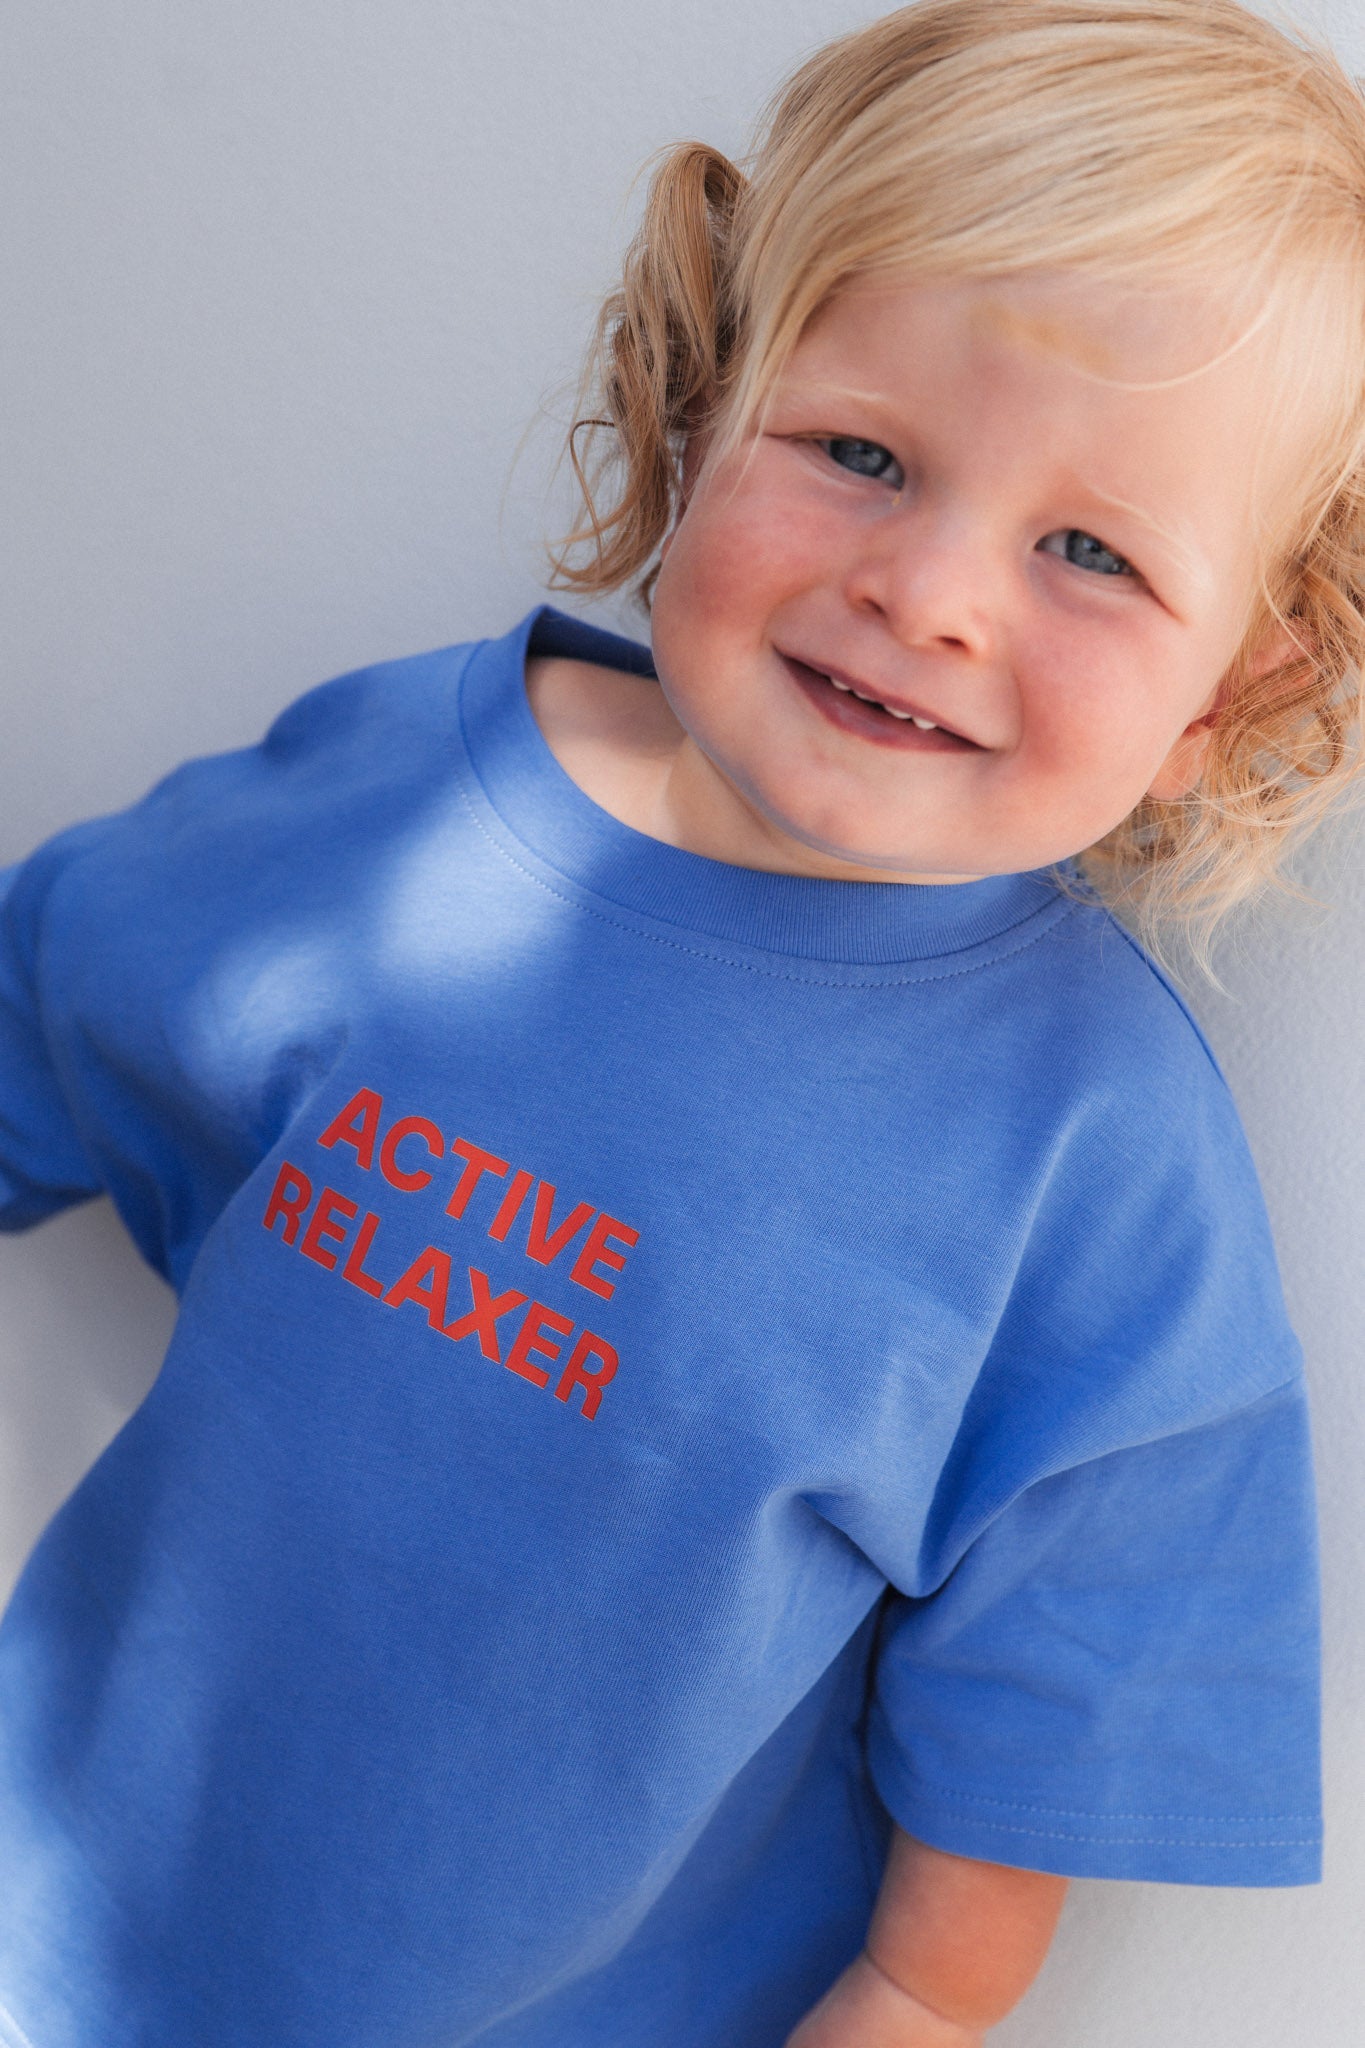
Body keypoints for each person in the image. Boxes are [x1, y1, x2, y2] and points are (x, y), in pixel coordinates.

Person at [0, 0, 1358, 2041]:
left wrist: (898, 2004)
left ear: (1228, 700)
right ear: (701, 404)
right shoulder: (397, 801)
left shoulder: (1090, 1169)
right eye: (859, 454)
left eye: (1086, 550)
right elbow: (60, 995)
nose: (930, 593)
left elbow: (1029, 1763)